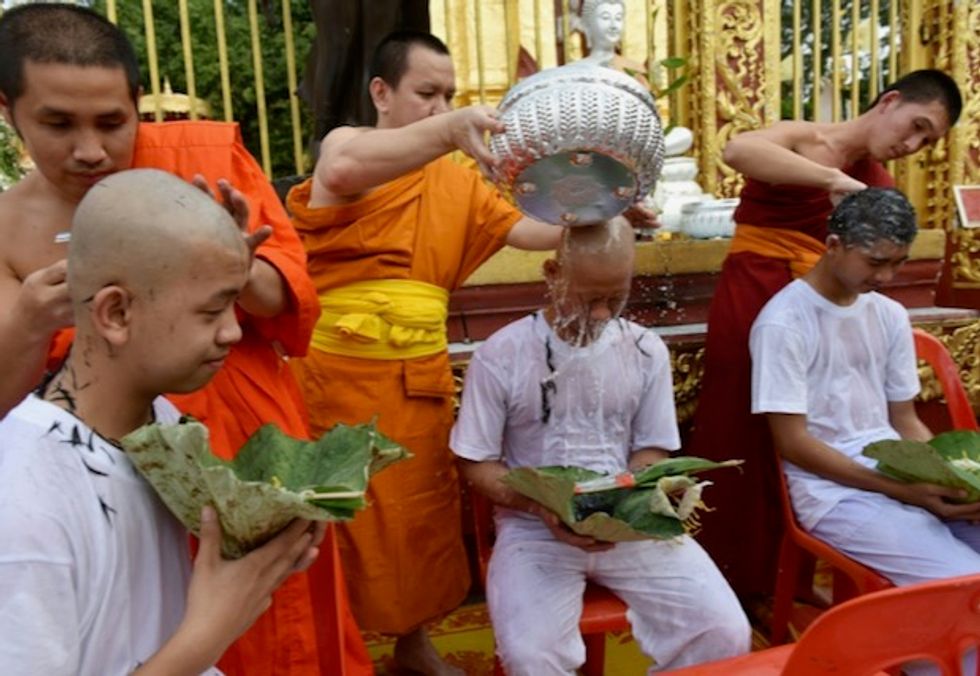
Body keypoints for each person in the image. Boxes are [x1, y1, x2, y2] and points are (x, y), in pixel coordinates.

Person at [0, 5, 370, 674]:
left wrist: (228, 261)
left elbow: (292, 305)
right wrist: (30, 317)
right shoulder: (5, 231)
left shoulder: (202, 160)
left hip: (241, 442)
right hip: (109, 472)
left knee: (283, 624)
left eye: (112, 122)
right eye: (57, 124)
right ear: (9, 111)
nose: (90, 149)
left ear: (136, 103)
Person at [287, 29, 563, 674]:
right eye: (426, 94)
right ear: (382, 93)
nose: (440, 110)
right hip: (336, 381)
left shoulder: (452, 181)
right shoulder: (348, 146)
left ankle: (414, 649)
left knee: (420, 523)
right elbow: (340, 172)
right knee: (339, 525)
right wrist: (447, 131)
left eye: (450, 97)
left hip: (419, 380)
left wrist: (597, 205)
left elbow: (526, 230)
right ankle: (337, 657)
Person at [0, 169, 326, 676]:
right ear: (116, 313)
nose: (233, 332)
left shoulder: (159, 426)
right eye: (211, 310)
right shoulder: (24, 497)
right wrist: (211, 629)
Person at [689, 69, 964, 603]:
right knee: (739, 433)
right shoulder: (805, 140)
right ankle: (728, 580)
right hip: (756, 290)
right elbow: (737, 151)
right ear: (889, 101)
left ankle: (783, 576)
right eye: (916, 126)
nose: (911, 145)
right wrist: (829, 181)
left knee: (803, 437)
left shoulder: (877, 184)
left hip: (823, 304)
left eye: (926, 142)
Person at [450, 218, 750, 675]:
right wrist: (543, 507)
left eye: (617, 297)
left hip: (629, 523)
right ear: (552, 273)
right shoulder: (502, 354)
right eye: (589, 298)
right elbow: (475, 463)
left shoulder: (645, 349)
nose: (603, 315)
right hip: (533, 530)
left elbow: (652, 450)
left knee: (724, 630)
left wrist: (629, 498)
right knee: (533, 656)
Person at [751, 187, 980, 582]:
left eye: (898, 263)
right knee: (965, 582)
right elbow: (793, 443)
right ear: (834, 245)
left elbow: (905, 420)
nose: (886, 277)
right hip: (833, 493)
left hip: (896, 471)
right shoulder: (784, 322)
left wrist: (948, 479)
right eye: (876, 262)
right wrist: (904, 491)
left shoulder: (889, 314)